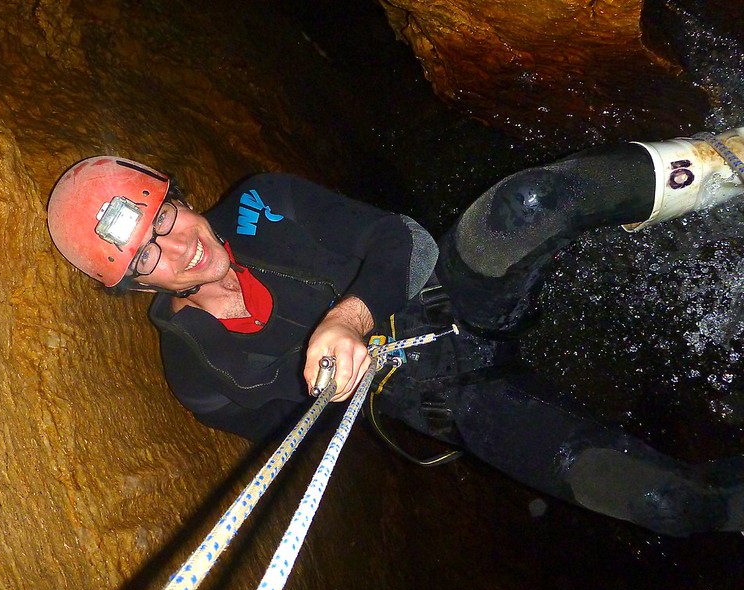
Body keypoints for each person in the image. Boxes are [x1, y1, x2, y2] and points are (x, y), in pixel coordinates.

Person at [47, 129, 744, 536]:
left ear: (178, 197)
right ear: (135, 285)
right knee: (665, 502)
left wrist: (349, 317)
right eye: (145, 258)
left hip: (447, 293)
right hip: (447, 400)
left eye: (163, 219)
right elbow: (301, 442)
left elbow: (400, 239)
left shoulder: (265, 204)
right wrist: (331, 396)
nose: (179, 250)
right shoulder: (199, 377)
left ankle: (725, 159)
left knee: (532, 202)